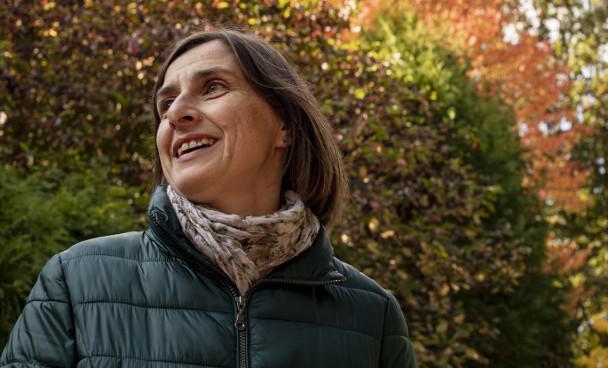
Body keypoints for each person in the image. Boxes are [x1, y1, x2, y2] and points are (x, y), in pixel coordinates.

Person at [1, 28, 417, 367]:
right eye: (166, 102)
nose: (175, 112)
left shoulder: (372, 315)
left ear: (284, 126)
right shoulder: (76, 281)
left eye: (213, 86)